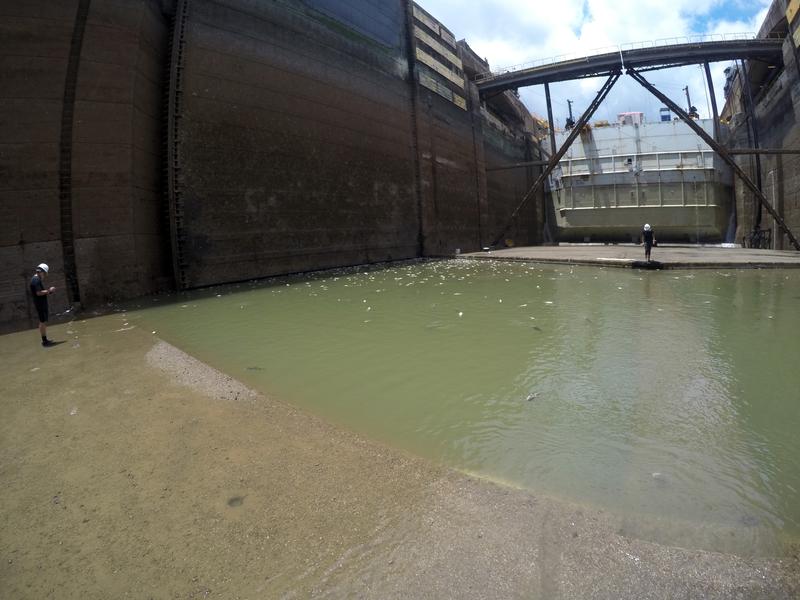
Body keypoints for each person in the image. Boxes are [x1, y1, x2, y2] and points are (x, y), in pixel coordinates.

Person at [30, 263, 56, 347]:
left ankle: (45, 340)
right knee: (42, 322)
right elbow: (38, 293)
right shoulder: (36, 280)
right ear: (42, 272)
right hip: (40, 304)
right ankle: (44, 341)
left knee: (43, 321)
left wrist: (48, 291)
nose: (44, 276)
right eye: (45, 274)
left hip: (40, 303)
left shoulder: (36, 279)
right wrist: (49, 290)